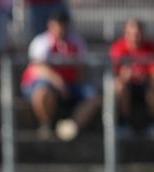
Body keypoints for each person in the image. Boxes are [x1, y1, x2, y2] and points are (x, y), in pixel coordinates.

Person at [20, 11, 100, 141]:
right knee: (42, 91)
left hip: (70, 84)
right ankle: (46, 124)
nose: (60, 29)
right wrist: (59, 83)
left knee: (93, 95)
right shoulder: (41, 42)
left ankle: (72, 127)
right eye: (57, 25)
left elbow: (81, 69)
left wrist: (71, 88)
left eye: (63, 25)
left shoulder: (76, 42)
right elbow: (38, 68)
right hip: (46, 84)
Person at [109, 18, 154, 140]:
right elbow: (117, 74)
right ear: (126, 32)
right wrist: (127, 76)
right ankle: (123, 123)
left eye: (138, 33)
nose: (135, 36)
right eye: (132, 33)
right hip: (127, 85)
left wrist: (145, 77)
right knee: (120, 86)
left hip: (145, 84)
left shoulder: (152, 48)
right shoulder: (118, 47)